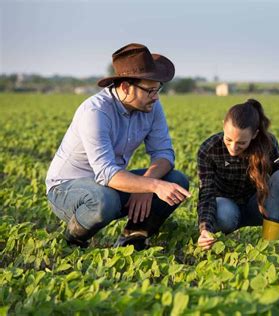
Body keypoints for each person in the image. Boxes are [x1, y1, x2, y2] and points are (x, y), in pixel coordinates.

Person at [45, 43, 191, 250]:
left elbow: (164, 154)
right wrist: (152, 186)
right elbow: (106, 173)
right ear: (125, 87)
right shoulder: (95, 112)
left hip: (108, 183)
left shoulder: (151, 106)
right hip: (66, 189)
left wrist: (147, 184)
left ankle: (132, 239)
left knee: (177, 180)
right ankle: (72, 241)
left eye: (158, 89)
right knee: (106, 199)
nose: (156, 96)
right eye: (150, 90)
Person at [196, 99, 279, 250]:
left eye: (241, 143)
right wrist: (204, 229)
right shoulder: (209, 149)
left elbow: (277, 175)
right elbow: (206, 193)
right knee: (223, 212)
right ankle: (219, 237)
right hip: (226, 208)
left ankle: (269, 245)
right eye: (228, 140)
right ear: (223, 125)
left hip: (256, 206)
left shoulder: (267, 142)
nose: (234, 147)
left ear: (254, 134)